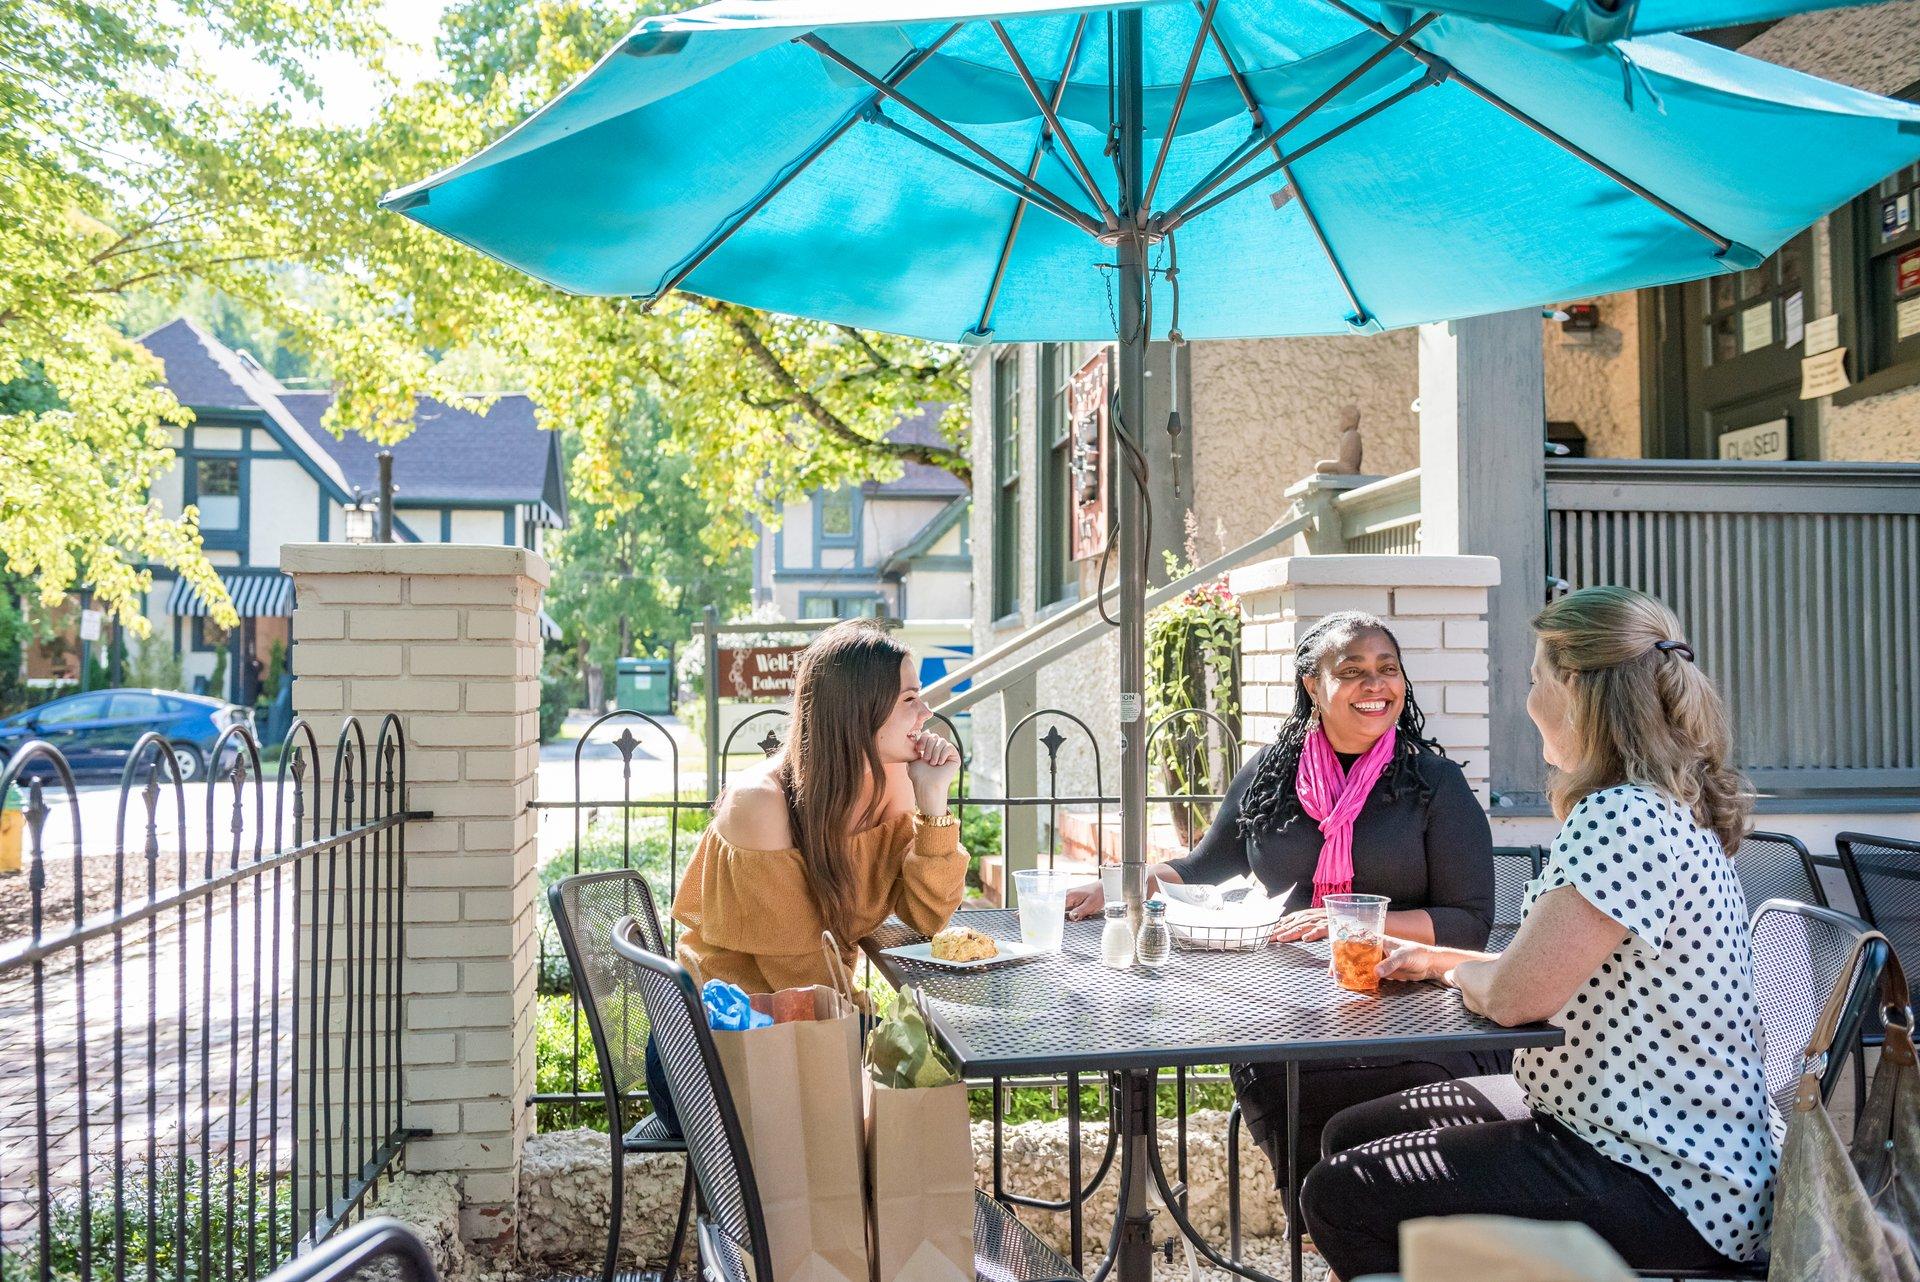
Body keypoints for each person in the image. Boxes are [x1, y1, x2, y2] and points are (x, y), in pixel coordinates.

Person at [1299, 586, 1771, 1279]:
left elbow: (1519, 996)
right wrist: (1437, 960)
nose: (1527, 700)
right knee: (1352, 1134)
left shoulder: (1622, 819)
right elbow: (1548, 965)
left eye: (1534, 678)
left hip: (1665, 1179)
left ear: (1574, 689)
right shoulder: (1661, 803)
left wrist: (1453, 969)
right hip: (1623, 1126)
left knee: (1342, 1194)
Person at [1064, 611, 1495, 1188]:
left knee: (1359, 1128)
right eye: (1353, 671)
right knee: (1284, 1083)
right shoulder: (1271, 774)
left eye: (1388, 669)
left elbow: (1469, 924)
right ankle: (1329, 1236)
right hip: (1289, 1017)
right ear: (1312, 686)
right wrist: (1116, 884)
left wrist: (1352, 923)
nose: (1376, 686)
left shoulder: (1433, 782)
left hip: (1415, 1020)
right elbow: (1202, 868)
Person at [672, 618, 967, 993]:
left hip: (815, 1016)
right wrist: (866, 1026)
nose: (925, 713)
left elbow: (929, 917)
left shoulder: (896, 784)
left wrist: (933, 806)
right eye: (909, 699)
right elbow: (796, 966)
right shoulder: (762, 801)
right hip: (728, 1027)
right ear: (856, 711)